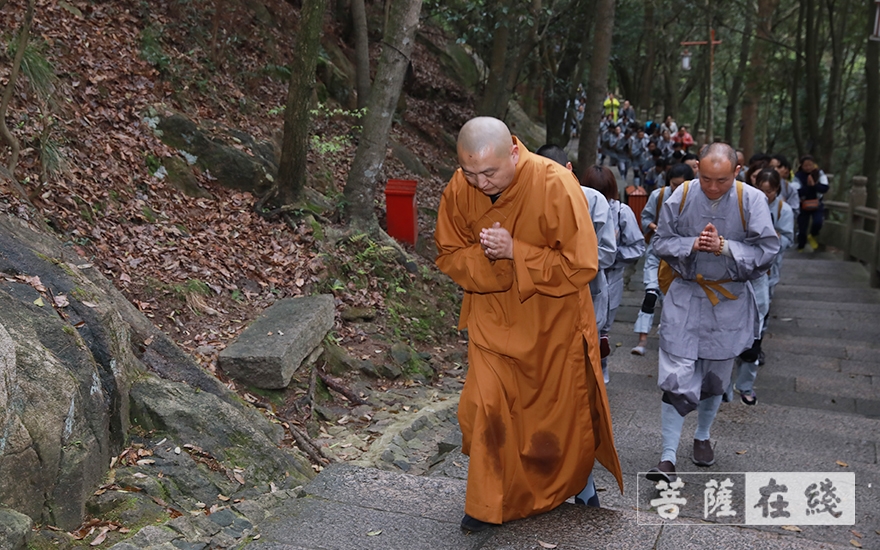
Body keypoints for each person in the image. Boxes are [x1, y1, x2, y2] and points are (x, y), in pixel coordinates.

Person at [435, 117, 623, 531]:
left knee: (552, 419)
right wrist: (494, 266)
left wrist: (516, 251)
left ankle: (577, 480)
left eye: (489, 172)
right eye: (470, 173)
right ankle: (486, 503)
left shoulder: (555, 184)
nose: (480, 183)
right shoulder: (459, 186)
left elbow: (582, 264)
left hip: (550, 321)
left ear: (515, 152)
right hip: (491, 316)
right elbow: (448, 252)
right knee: (484, 409)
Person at [645, 143, 779, 482]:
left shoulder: (752, 200)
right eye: (705, 178)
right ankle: (667, 458)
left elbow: (768, 251)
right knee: (676, 374)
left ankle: (702, 435)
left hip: (729, 299)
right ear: (696, 170)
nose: (713, 187)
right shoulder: (682, 195)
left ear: (736, 172)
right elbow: (661, 241)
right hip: (687, 294)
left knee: (715, 378)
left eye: (721, 180)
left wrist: (726, 247)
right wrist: (690, 243)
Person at [536, 143, 617, 507]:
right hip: (536, 313)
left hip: (582, 307)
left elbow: (606, 253)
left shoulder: (593, 201)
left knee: (577, 399)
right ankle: (543, 477)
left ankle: (582, 484)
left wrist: (562, 258)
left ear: (568, 168)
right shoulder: (524, 198)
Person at [726, 168, 794, 404]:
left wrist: (774, 240)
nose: (764, 195)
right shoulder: (741, 206)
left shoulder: (783, 210)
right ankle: (722, 387)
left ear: (777, 190)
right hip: (734, 275)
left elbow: (786, 239)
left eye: (770, 191)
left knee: (755, 333)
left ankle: (745, 385)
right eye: (761, 190)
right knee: (727, 335)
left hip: (762, 274)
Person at [584, 165, 646, 383]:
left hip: (610, 279)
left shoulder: (621, 212)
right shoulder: (577, 205)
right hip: (582, 278)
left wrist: (611, 254)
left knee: (602, 328)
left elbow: (638, 247)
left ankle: (601, 365)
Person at [631, 163, 693, 356]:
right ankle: (642, 340)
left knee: (672, 301)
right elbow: (644, 218)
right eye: (674, 184)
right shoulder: (658, 195)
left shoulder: (695, 199)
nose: (677, 189)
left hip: (680, 256)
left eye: (681, 185)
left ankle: (670, 340)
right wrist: (656, 227)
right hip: (657, 252)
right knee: (650, 295)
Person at [794, 155, 829, 251]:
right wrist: (808, 186)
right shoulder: (798, 176)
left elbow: (825, 188)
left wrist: (815, 185)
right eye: (806, 165)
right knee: (802, 227)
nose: (808, 167)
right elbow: (796, 191)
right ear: (801, 166)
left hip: (817, 203)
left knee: (818, 222)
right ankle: (801, 246)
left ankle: (813, 235)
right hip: (803, 204)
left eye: (810, 165)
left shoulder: (819, 174)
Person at [769, 154, 799, 218]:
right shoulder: (762, 185)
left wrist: (784, 206)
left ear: (786, 169)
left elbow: (795, 210)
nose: (775, 170)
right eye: (772, 167)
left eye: (779, 167)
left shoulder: (790, 188)